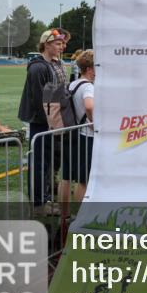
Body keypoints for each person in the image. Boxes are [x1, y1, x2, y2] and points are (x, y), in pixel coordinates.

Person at [18, 28, 70, 207]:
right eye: (58, 43)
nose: (62, 47)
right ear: (46, 45)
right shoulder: (38, 67)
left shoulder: (55, 64)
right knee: (39, 162)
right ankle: (39, 202)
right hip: (42, 122)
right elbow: (39, 100)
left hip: (53, 120)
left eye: (62, 43)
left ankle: (46, 196)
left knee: (49, 161)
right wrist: (51, 123)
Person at [62, 50, 95, 210]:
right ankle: (78, 215)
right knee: (83, 180)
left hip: (70, 133)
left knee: (66, 177)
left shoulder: (73, 83)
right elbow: (89, 106)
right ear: (89, 69)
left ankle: (65, 215)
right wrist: (93, 123)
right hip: (85, 135)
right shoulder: (88, 86)